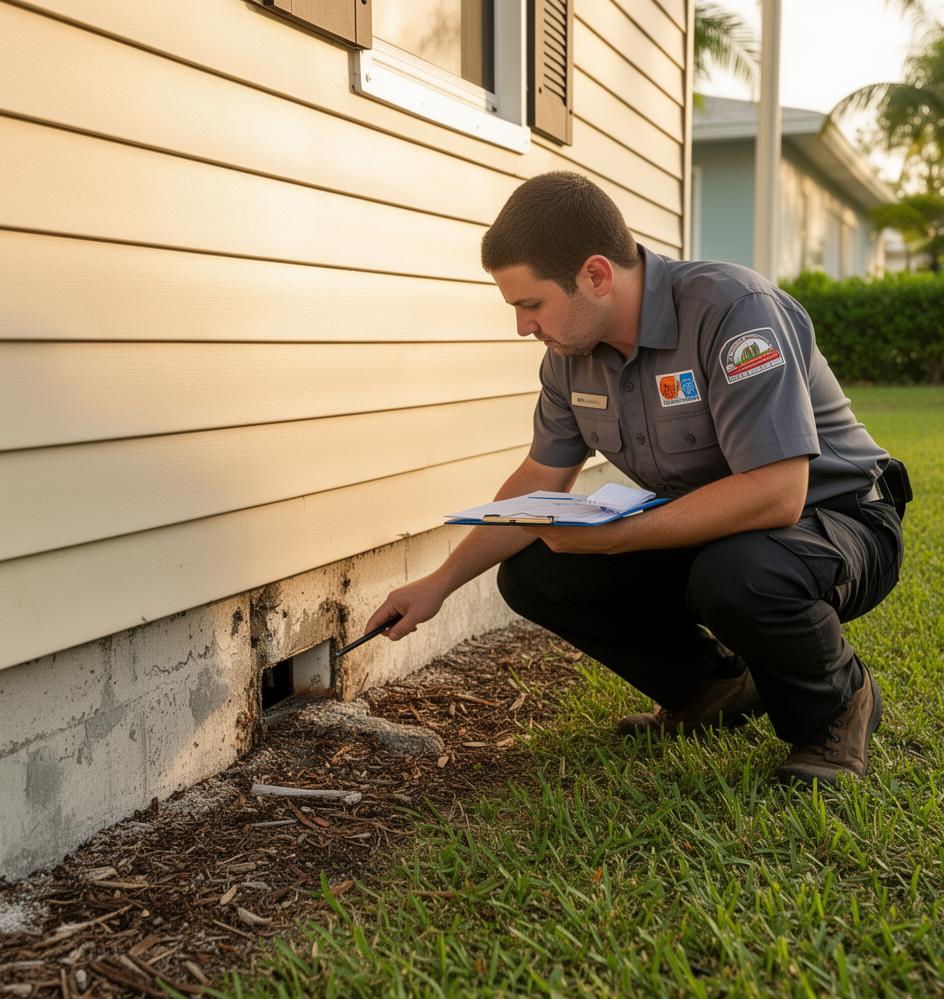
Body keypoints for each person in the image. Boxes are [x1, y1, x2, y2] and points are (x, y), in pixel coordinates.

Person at [365, 171, 907, 787]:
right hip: (716, 530)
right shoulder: (570, 358)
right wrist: (439, 584)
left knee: (738, 574)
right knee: (537, 572)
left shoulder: (732, 312)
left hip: (840, 521)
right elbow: (539, 479)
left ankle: (837, 709)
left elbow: (777, 494)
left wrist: (621, 537)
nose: (522, 327)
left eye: (531, 304)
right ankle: (714, 688)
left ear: (596, 275)